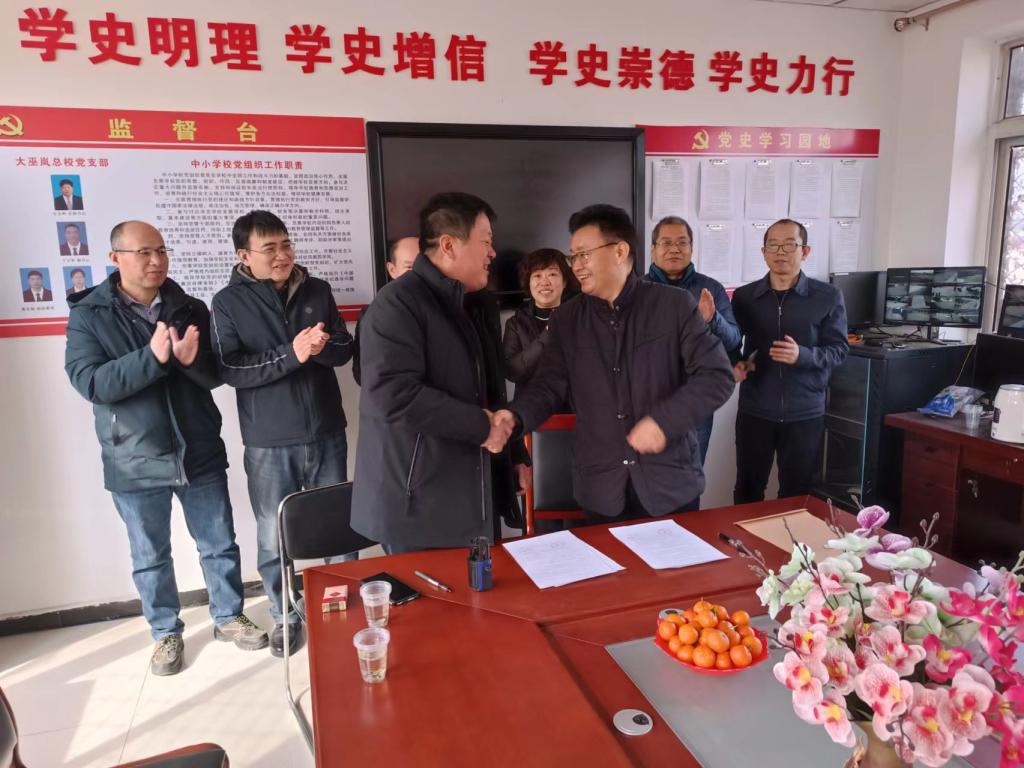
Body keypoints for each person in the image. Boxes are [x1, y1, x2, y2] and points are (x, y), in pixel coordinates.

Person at [64, 220, 267, 677]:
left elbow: (215, 375)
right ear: (115, 258)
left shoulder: (188, 307)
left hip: (197, 448)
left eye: (161, 250)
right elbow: (90, 382)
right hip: (133, 457)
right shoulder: (89, 315)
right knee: (150, 555)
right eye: (144, 253)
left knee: (219, 543)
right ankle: (165, 632)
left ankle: (228, 616)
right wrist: (151, 359)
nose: (156, 261)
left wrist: (191, 363)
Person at [493, 204, 735, 524]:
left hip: (669, 484)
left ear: (620, 251)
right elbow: (548, 386)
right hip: (601, 490)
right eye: (573, 257)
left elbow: (716, 375)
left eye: (584, 255)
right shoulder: (567, 319)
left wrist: (663, 421)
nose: (576, 266)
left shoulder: (673, 306)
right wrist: (515, 416)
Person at [210, 210, 354, 658]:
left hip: (326, 429)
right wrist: (292, 353)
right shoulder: (227, 303)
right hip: (269, 440)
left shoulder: (317, 290)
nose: (281, 255)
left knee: (338, 525)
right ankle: (284, 614)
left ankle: (340, 605)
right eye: (269, 248)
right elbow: (230, 368)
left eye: (286, 244)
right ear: (244, 256)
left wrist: (320, 346)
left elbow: (344, 349)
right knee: (274, 533)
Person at [352, 192, 529, 553]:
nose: (493, 253)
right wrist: (482, 427)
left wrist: (514, 454)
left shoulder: (477, 303)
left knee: (483, 586)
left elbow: (491, 389)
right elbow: (393, 395)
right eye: (486, 242)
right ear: (449, 245)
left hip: (474, 491)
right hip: (419, 503)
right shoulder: (396, 305)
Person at [731, 218, 848, 504]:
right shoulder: (745, 297)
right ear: (763, 252)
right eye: (773, 245)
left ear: (805, 251)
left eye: (789, 245)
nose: (780, 252)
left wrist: (802, 355)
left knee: (796, 494)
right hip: (756, 409)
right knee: (747, 489)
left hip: (804, 412)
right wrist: (736, 363)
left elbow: (839, 350)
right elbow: (732, 341)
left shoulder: (827, 296)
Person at [645, 216, 741, 465]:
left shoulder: (710, 289)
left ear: (691, 248)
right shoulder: (637, 291)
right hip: (647, 403)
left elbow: (733, 340)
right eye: (666, 243)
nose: (674, 249)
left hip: (695, 402)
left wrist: (712, 319)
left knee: (691, 473)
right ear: (653, 249)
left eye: (682, 242)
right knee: (647, 476)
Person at [502, 248, 578, 400]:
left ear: (564, 282)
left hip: (574, 407)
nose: (544, 282)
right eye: (537, 275)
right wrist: (548, 335)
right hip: (530, 407)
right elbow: (512, 372)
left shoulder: (578, 318)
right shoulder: (516, 324)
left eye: (552, 274)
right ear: (528, 283)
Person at [352, 236, 418, 386]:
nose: (420, 274)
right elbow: (363, 375)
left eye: (425, 266)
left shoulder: (448, 308)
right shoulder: (374, 315)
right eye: (409, 267)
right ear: (392, 270)